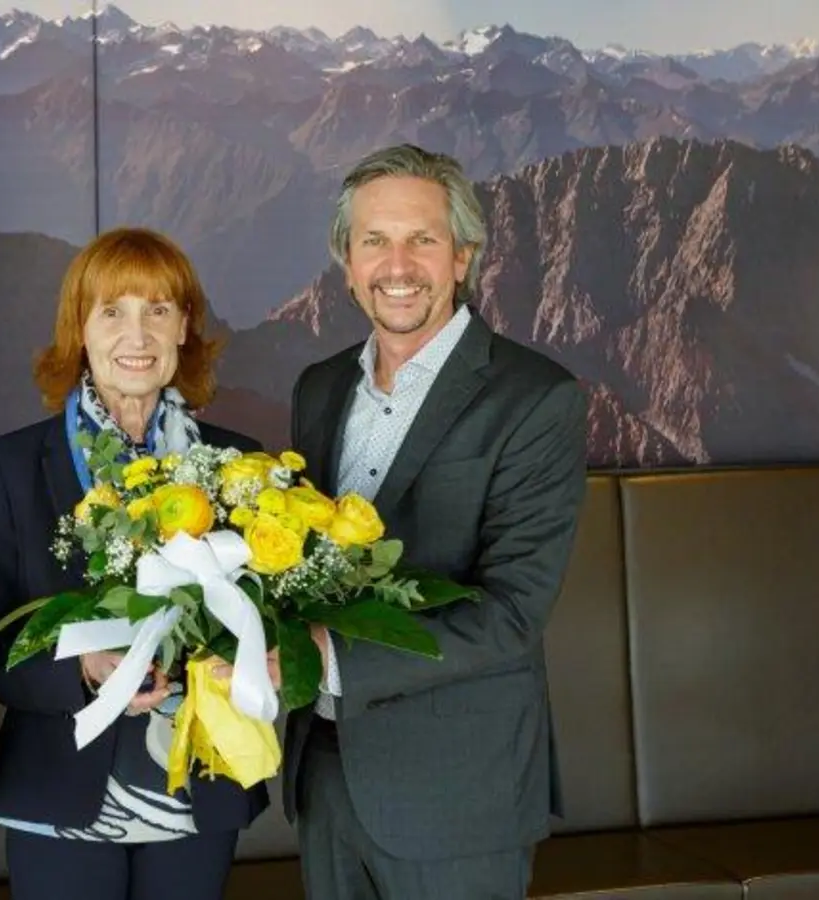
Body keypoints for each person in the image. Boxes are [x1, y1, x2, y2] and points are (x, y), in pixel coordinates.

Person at [282, 143, 589, 899]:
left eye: (422, 239)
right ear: (346, 264)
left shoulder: (535, 398)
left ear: (463, 257)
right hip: (325, 776)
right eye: (374, 241)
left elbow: (512, 612)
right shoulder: (319, 390)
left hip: (459, 792)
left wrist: (320, 661)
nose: (398, 265)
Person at [0, 227, 269, 900]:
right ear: (80, 326)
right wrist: (82, 667)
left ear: (185, 326)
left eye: (158, 310)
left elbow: (268, 621)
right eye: (113, 311)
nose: (138, 335)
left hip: (197, 786)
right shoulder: (16, 464)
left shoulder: (242, 466)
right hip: (58, 787)